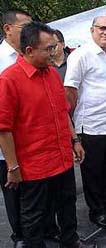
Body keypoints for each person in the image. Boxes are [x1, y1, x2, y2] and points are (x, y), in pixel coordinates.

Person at [0, 21, 95, 248]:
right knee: (34, 217)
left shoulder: (51, 73)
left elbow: (63, 112)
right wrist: (13, 167)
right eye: (49, 49)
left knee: (67, 204)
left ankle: (71, 242)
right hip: (34, 166)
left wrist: (75, 140)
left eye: (55, 47)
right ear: (30, 50)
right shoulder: (9, 80)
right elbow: (3, 128)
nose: (55, 52)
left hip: (61, 159)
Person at [64, 16, 106, 229]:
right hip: (90, 125)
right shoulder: (81, 55)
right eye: (102, 28)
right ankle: (96, 211)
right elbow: (70, 89)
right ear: (92, 30)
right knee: (93, 172)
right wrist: (71, 126)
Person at [0, 9, 32, 248]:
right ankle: (19, 236)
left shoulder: (31, 55)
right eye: (24, 28)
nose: (29, 34)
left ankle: (39, 232)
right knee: (13, 190)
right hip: (6, 141)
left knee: (35, 192)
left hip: (32, 138)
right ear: (8, 28)